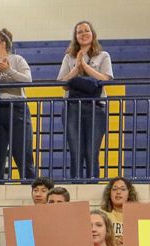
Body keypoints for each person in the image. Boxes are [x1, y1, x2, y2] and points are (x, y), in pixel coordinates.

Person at [0, 29, 36, 183]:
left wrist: (8, 70)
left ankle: (31, 187)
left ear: (3, 43)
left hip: (17, 108)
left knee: (23, 154)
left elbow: (27, 80)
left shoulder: (17, 59)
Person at [59, 21, 113, 179]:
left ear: (92, 34)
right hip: (72, 108)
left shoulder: (103, 56)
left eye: (86, 30)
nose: (83, 34)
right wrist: (76, 67)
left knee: (92, 152)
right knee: (76, 152)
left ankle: (92, 187)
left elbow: (106, 79)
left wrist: (84, 65)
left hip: (96, 107)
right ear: (75, 37)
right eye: (79, 32)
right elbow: (63, 84)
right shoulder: (69, 57)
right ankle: (76, 188)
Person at [100, 176, 136, 246]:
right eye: (114, 189)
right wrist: (111, 243)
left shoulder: (137, 217)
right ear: (109, 194)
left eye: (123, 189)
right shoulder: (101, 216)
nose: (118, 192)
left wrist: (130, 242)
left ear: (129, 194)